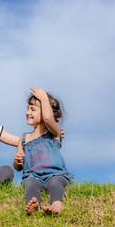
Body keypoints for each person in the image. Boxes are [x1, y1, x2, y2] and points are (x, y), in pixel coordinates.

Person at [13, 87, 74, 215]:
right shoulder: (23, 138)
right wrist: (17, 161)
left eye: (33, 109)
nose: (27, 112)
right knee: (30, 185)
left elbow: (47, 119)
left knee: (54, 183)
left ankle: (57, 203)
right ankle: (34, 205)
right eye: (27, 109)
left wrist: (44, 99)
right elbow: (18, 167)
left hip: (55, 174)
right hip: (32, 175)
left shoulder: (54, 132)